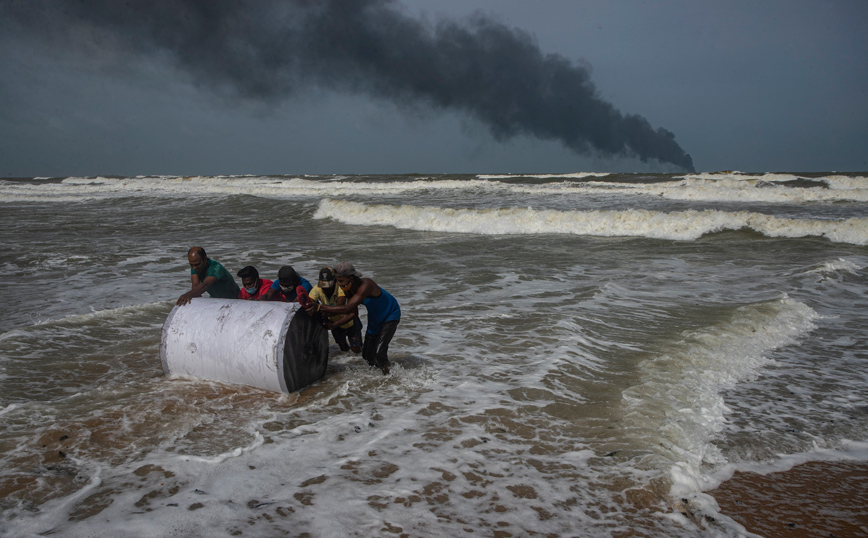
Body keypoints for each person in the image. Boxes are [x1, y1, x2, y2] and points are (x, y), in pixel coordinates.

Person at [313, 262, 400, 375]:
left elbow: (346, 308)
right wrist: (334, 325)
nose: (338, 284)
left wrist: (320, 307)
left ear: (351, 278)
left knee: (379, 353)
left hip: (390, 314)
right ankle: (379, 374)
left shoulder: (366, 284)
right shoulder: (347, 289)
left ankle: (389, 377)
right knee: (367, 355)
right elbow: (352, 313)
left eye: (341, 281)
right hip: (375, 318)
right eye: (337, 281)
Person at [308, 266, 363, 353]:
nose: (326, 288)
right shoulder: (317, 289)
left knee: (356, 348)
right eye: (323, 285)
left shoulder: (341, 287)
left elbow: (340, 305)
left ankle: (360, 363)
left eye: (329, 285)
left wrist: (323, 310)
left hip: (349, 320)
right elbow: (310, 301)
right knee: (343, 347)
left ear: (335, 280)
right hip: (334, 323)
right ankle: (348, 361)